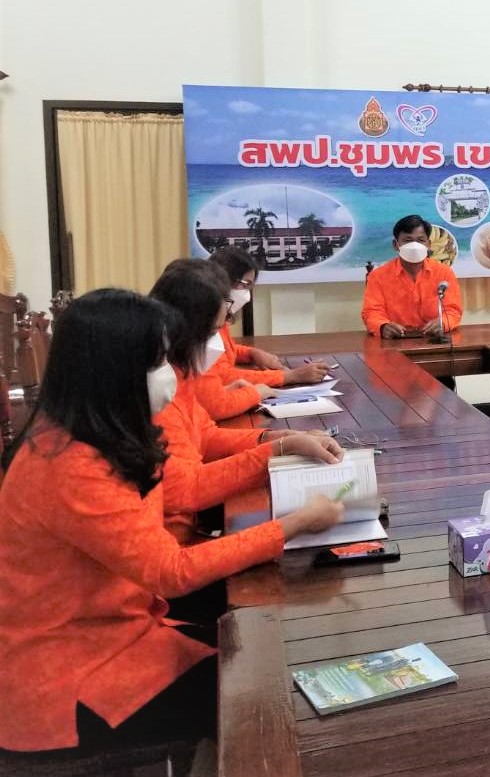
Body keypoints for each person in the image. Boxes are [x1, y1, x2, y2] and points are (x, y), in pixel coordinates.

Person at [0, 289, 343, 753]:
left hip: (120, 631)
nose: (170, 374)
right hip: (70, 678)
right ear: (114, 371)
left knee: (264, 649)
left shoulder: (97, 430)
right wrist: (293, 524)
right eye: (158, 361)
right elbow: (171, 571)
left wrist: (276, 449)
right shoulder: (72, 465)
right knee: (265, 695)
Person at [149, 259, 344, 545]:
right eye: (212, 332)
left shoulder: (180, 371)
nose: (217, 340)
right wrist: (277, 451)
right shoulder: (156, 390)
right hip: (180, 538)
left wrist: (279, 438)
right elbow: (186, 491)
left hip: (193, 524)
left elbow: (205, 435)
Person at [207, 246, 329, 389]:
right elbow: (224, 377)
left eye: (250, 286)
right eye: (245, 284)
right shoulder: (204, 322)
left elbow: (224, 351)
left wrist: (252, 353)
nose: (247, 294)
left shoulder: (219, 316)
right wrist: (291, 376)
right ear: (224, 280)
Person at [361, 214, 463, 340]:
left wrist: (444, 323)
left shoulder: (444, 273)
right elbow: (371, 312)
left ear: (429, 244)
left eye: (420, 240)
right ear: (395, 245)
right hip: (394, 342)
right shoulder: (378, 276)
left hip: (433, 339)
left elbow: (453, 311)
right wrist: (382, 326)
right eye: (408, 240)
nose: (414, 246)